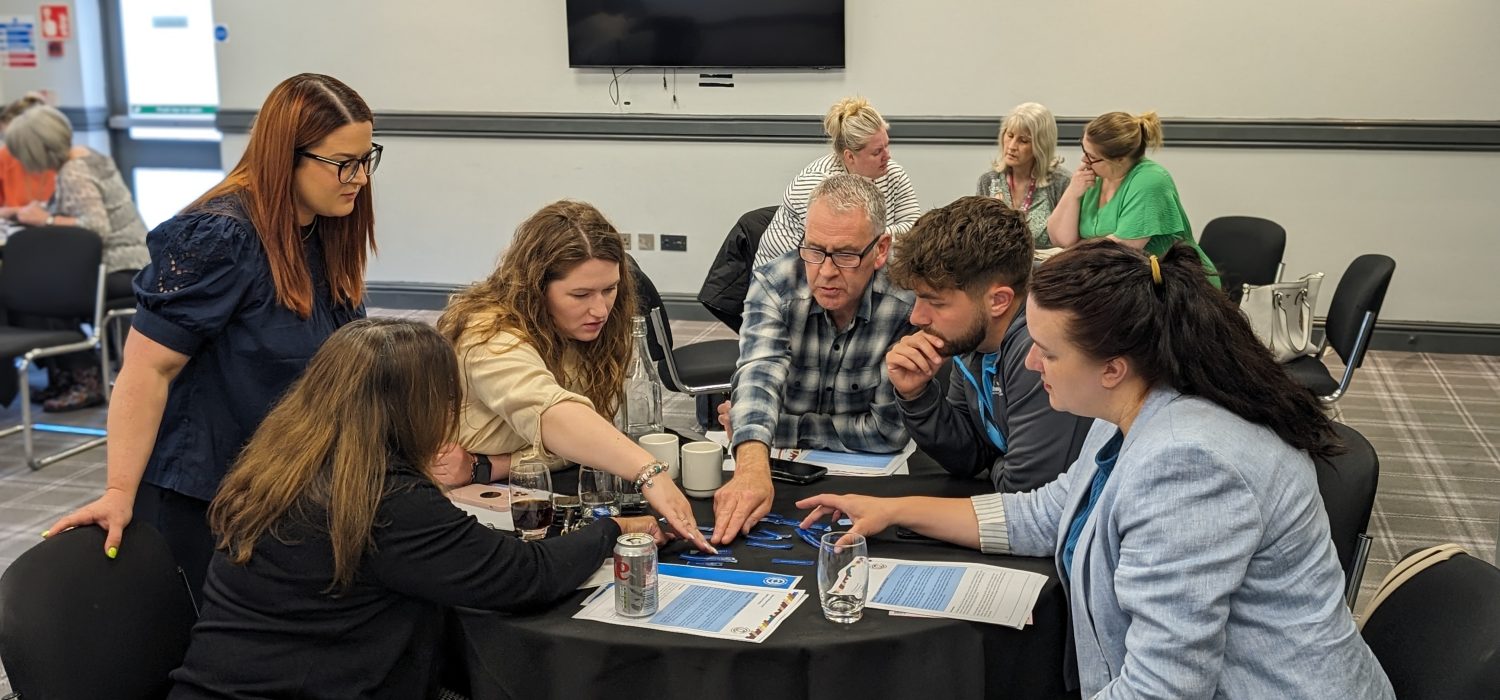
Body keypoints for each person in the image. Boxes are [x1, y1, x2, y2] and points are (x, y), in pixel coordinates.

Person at [799, 240, 1394, 698]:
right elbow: (1049, 512)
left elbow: (1164, 687)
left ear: (1114, 365)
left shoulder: (1190, 465)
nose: (1032, 361)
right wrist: (893, 510)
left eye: (1049, 351)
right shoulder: (1133, 408)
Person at [167, 319, 665, 699]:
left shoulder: (284, 464)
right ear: (417, 408)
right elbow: (522, 577)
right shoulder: (385, 500)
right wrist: (613, 529)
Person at [44, 73, 379, 600]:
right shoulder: (219, 237)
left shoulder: (323, 227)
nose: (358, 178)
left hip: (280, 488)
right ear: (284, 155)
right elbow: (146, 369)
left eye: (366, 159)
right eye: (343, 163)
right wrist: (116, 491)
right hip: (206, 499)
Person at [432, 200, 713, 552]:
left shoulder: (592, 329)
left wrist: (491, 466)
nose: (600, 310)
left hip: (521, 486)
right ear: (535, 287)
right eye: (580, 294)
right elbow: (553, 415)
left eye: (609, 290)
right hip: (464, 507)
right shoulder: (487, 333)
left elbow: (586, 436)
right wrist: (647, 472)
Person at [716, 174, 915, 545]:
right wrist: (751, 462)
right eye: (814, 250)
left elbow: (887, 432)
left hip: (865, 492)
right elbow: (759, 372)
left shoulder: (906, 303)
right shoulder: (775, 283)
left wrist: (769, 427)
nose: (825, 272)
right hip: (785, 476)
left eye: (845, 255)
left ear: (881, 249)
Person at [885, 196, 1087, 492]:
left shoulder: (1041, 351)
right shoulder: (973, 342)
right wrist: (917, 395)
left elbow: (1025, 491)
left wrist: (997, 462)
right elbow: (968, 456)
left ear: (998, 300)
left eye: (935, 302)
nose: (916, 317)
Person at [2, 104, 150, 410]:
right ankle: (68, 376)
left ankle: (85, 376)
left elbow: (96, 227)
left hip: (119, 264)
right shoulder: (88, 156)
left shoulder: (74, 172)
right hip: (136, 259)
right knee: (37, 287)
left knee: (36, 294)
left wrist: (45, 220)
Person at [1046, 110, 1219, 285]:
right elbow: (1061, 239)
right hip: (1114, 281)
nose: (1084, 160)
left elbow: (1121, 251)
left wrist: (1078, 246)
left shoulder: (1150, 181)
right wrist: (1073, 192)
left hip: (1176, 285)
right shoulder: (1094, 174)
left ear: (1119, 160)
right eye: (1084, 149)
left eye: (1091, 156)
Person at [753, 96, 920, 268]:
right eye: (877, 152)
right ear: (850, 156)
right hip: (786, 275)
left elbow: (914, 232)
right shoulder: (815, 184)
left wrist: (871, 240)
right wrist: (878, 241)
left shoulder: (893, 172)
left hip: (858, 270)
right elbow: (840, 248)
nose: (888, 155)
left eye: (887, 145)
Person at [975, 102, 1070, 249]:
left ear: (1041, 145)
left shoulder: (1061, 182)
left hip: (1046, 268)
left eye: (1023, 141)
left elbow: (1069, 242)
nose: (1012, 146)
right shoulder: (988, 180)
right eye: (1010, 135)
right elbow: (978, 237)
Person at [0, 93, 56, 208]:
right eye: (6, 139)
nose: (11, 146)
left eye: (16, 139)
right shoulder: (4, 157)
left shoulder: (63, 161)